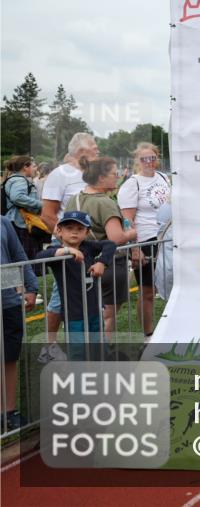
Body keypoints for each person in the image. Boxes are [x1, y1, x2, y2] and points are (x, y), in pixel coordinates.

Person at [38, 132, 99, 363]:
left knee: (83, 294)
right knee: (59, 297)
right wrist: (67, 243)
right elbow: (48, 214)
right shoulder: (59, 175)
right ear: (81, 152)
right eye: (95, 147)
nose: (98, 151)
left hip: (86, 246)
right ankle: (49, 346)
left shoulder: (89, 176)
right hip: (67, 248)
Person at [67, 156, 137, 338]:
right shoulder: (105, 203)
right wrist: (132, 233)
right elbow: (116, 238)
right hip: (109, 264)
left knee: (87, 316)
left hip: (82, 263)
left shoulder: (74, 199)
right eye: (114, 174)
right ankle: (101, 356)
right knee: (108, 316)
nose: (118, 176)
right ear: (101, 178)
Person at [36, 211, 116, 360]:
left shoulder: (88, 247)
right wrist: (67, 250)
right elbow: (40, 256)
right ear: (59, 231)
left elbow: (110, 244)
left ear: (87, 232)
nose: (74, 232)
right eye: (69, 228)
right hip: (74, 314)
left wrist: (102, 262)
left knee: (98, 347)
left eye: (80, 229)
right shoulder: (55, 252)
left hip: (94, 311)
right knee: (78, 351)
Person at [117, 143, 171, 340]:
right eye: (144, 159)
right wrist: (135, 249)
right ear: (137, 162)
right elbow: (127, 220)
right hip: (146, 240)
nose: (149, 162)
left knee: (171, 286)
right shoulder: (133, 183)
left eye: (153, 158)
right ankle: (148, 334)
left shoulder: (164, 177)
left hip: (167, 239)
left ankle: (171, 328)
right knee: (148, 291)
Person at [1, 216, 38, 431]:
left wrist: (31, 286)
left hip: (7, 302)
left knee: (9, 357)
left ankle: (7, 412)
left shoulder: (3, 223)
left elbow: (18, 255)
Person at [3, 156, 45, 263]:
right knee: (24, 261)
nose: (36, 169)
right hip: (20, 223)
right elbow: (17, 197)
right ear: (25, 167)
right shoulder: (19, 180)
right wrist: (41, 204)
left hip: (19, 222)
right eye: (33, 166)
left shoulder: (16, 179)